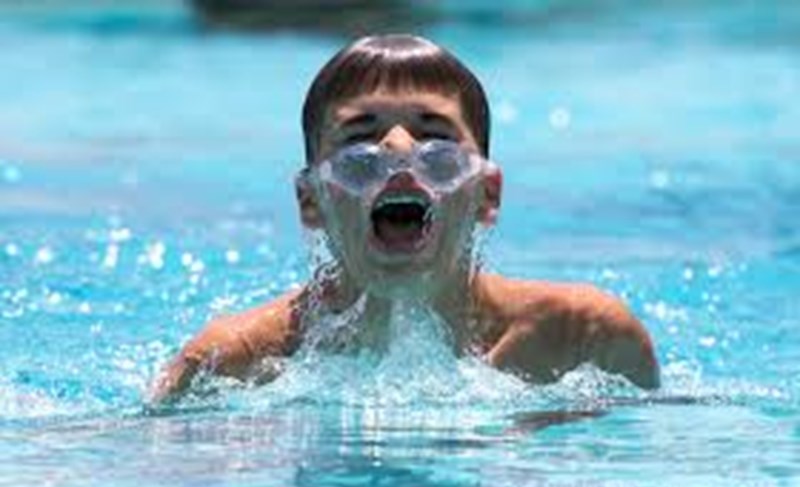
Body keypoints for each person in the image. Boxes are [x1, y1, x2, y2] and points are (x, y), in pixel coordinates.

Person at [148, 34, 659, 404]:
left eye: (434, 135)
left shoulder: (584, 340)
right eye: (360, 137)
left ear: (487, 195)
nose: (397, 149)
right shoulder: (230, 363)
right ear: (311, 201)